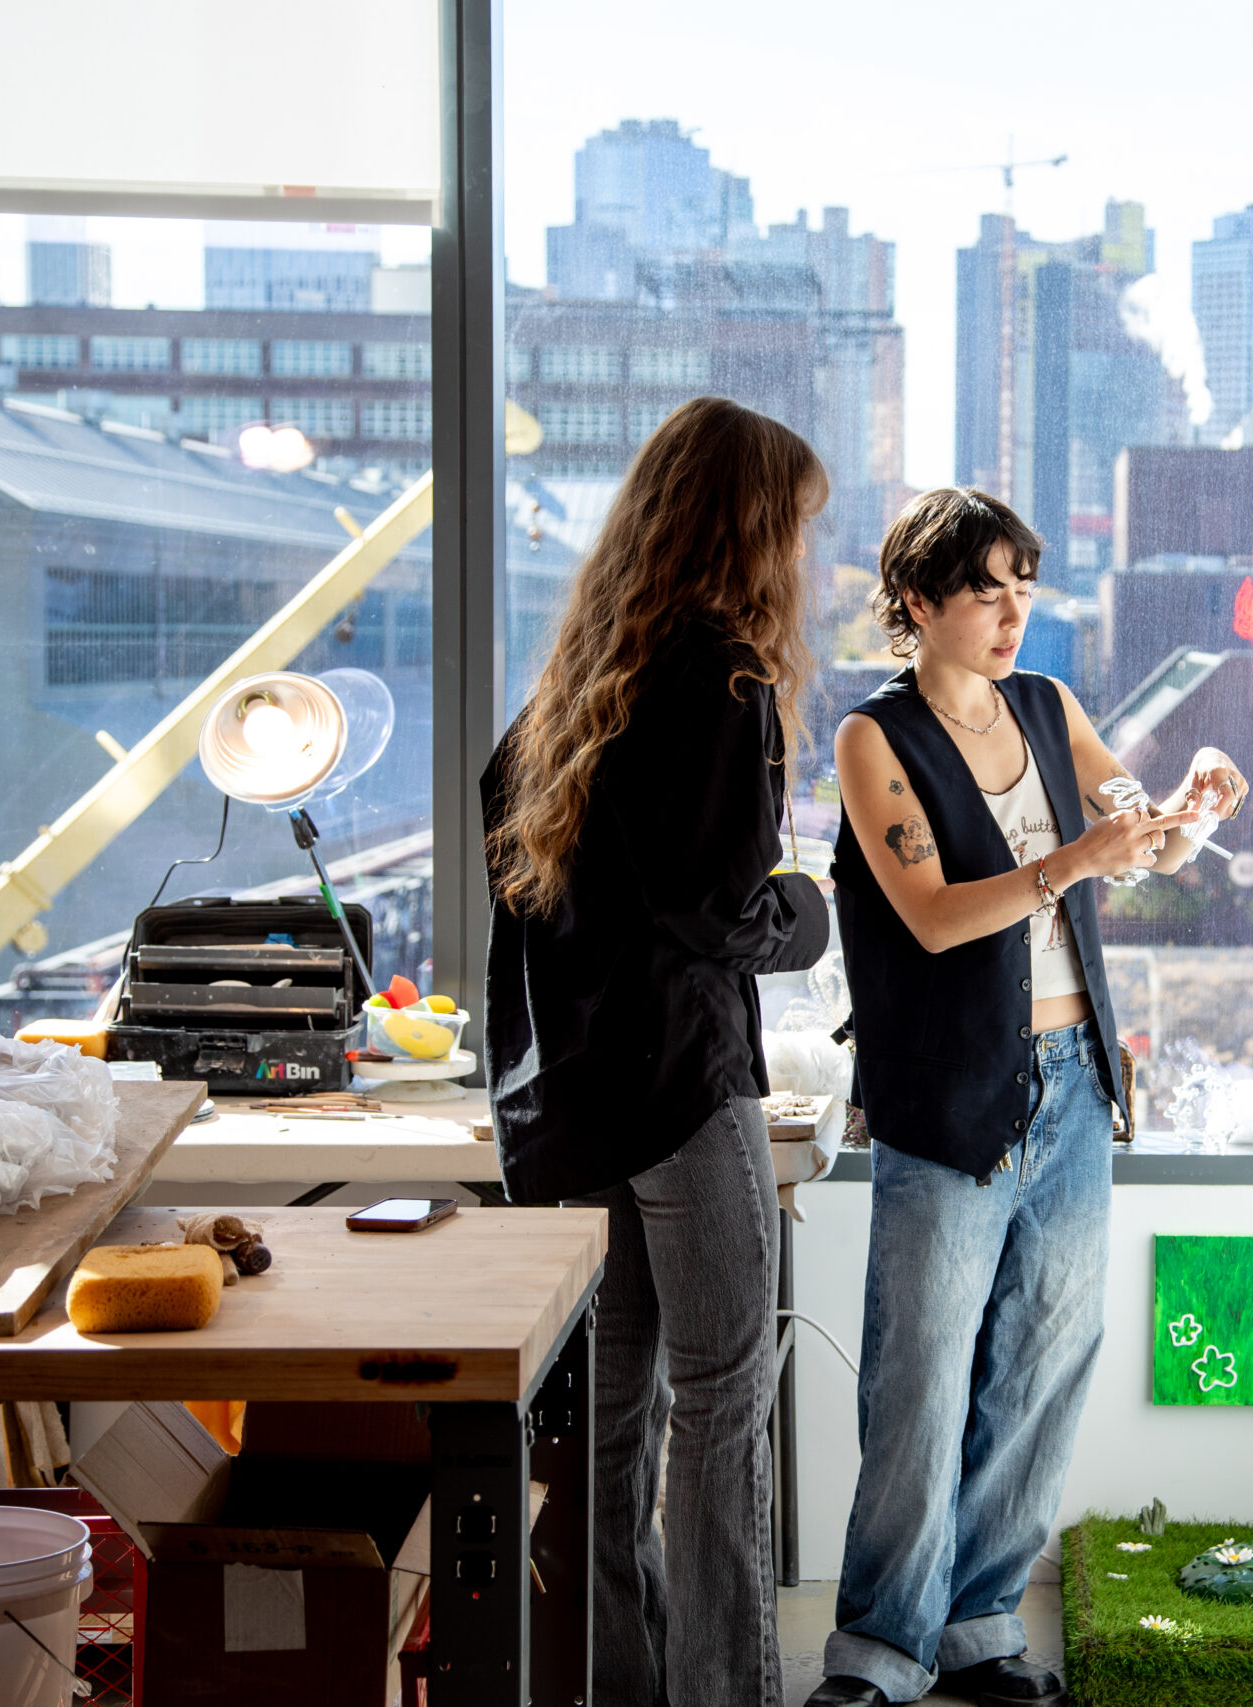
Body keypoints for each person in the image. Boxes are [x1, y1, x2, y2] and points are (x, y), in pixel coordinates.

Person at [808, 489, 1246, 1707]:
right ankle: (878, 1651)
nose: (1012, 615)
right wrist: (1070, 864)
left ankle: (980, 1627)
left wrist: (1191, 807)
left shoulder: (1049, 709)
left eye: (1023, 588)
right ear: (918, 604)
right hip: (951, 1090)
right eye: (985, 591)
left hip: (1072, 1083)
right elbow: (937, 916)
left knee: (1044, 1364)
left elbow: (1139, 838)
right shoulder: (872, 740)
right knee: (922, 1373)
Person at [482, 396, 832, 1707]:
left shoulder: (565, 695)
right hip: (685, 1093)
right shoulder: (721, 679)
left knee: (604, 1423)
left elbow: (544, 921)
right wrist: (812, 910)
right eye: (793, 528)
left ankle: (613, 1688)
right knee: (726, 1405)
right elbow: (724, 910)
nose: (800, 559)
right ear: (745, 526)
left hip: (574, 1108)